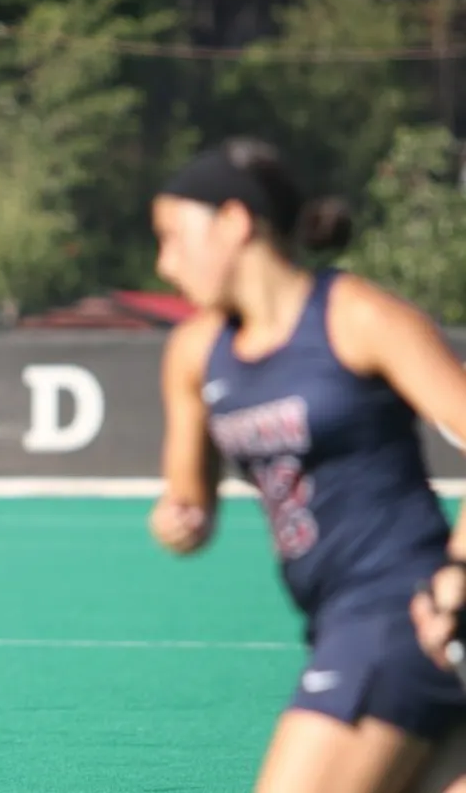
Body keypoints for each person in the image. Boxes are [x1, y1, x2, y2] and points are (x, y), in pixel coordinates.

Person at [148, 135, 466, 793]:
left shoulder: (358, 317)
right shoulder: (195, 352)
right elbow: (188, 502)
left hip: (402, 611)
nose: (164, 264)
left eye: (174, 237)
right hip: (334, 619)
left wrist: (458, 572)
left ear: (235, 223)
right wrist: (177, 521)